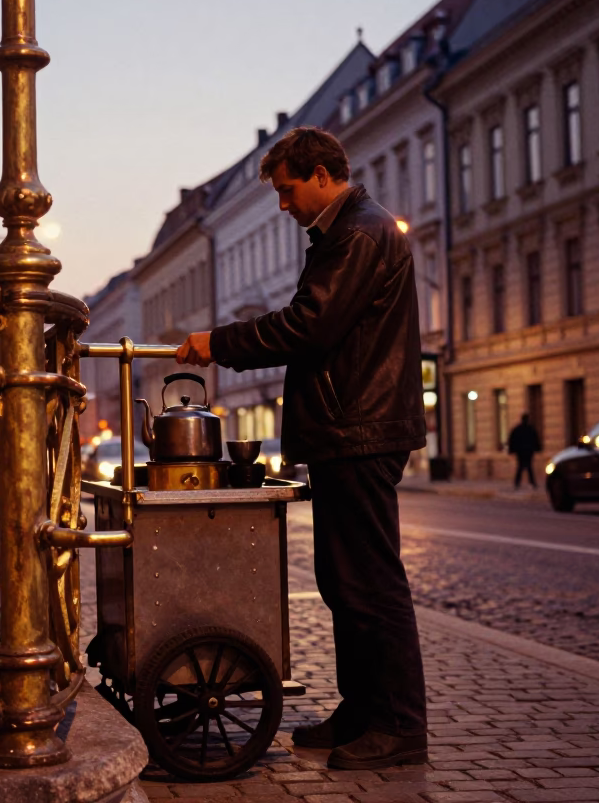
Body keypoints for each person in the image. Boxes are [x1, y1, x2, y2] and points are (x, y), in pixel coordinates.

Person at [176, 127, 428, 770]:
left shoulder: (361, 231)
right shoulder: (344, 233)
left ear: (321, 175)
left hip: (362, 429)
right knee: (344, 580)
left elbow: (309, 325)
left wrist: (220, 342)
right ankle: (362, 709)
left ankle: (399, 726)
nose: (283, 205)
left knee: (371, 581)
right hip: (348, 428)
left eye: (287, 191)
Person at [507, 413, 541, 489]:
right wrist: (537, 448)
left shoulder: (518, 429)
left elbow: (512, 440)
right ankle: (531, 483)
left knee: (521, 467)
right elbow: (535, 439)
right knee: (528, 467)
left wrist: (512, 450)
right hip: (528, 451)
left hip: (521, 451)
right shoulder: (530, 429)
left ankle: (518, 483)